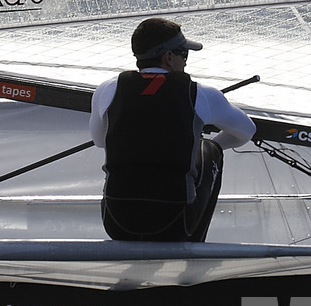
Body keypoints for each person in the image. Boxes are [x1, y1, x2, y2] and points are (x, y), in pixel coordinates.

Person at [91, 17, 255, 242]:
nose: (186, 62)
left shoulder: (107, 89)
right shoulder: (202, 94)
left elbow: (100, 141)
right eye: (184, 54)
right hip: (176, 226)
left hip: (116, 223)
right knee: (211, 148)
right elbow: (246, 131)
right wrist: (205, 144)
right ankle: (193, 246)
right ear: (168, 57)